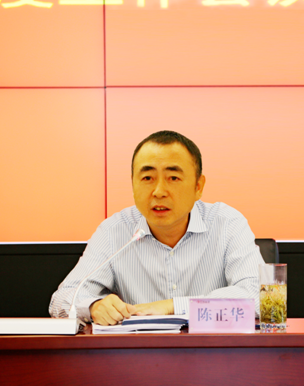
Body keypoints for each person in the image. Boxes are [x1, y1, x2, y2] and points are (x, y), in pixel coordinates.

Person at [49, 130, 265, 326]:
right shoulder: (114, 231)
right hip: (139, 354)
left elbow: (259, 297)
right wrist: (94, 306)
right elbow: (61, 300)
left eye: (173, 178)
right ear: (133, 184)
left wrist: (173, 306)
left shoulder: (227, 223)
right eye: (147, 178)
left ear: (198, 187)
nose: (159, 191)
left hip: (212, 354)